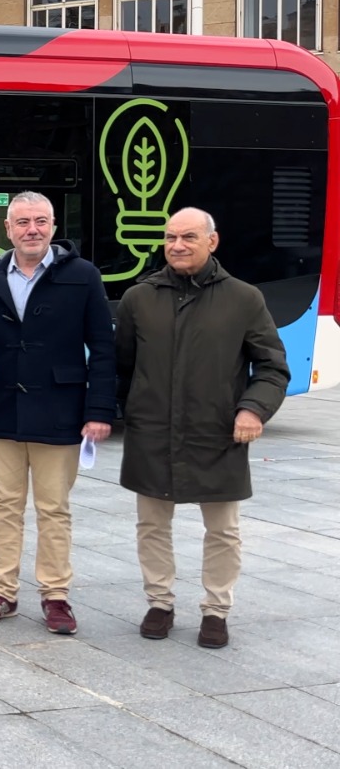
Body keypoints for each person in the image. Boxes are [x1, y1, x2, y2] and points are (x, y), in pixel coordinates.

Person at [115, 207, 288, 649]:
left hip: (218, 433)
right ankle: (159, 602)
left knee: (224, 530)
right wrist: (127, 409)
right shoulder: (139, 298)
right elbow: (121, 366)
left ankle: (216, 609)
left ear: (212, 241)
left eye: (188, 237)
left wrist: (252, 410)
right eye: (171, 237)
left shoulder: (244, 298)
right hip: (153, 432)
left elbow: (272, 367)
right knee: (151, 524)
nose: (177, 246)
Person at [0, 192, 117, 635]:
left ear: (54, 225)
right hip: (1, 410)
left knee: (53, 508)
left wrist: (99, 409)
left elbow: (102, 349)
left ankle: (55, 596)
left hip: (60, 409)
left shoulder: (83, 276)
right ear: (7, 229)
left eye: (40, 221)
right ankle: (1, 591)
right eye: (22, 222)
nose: (32, 230)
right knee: (5, 505)